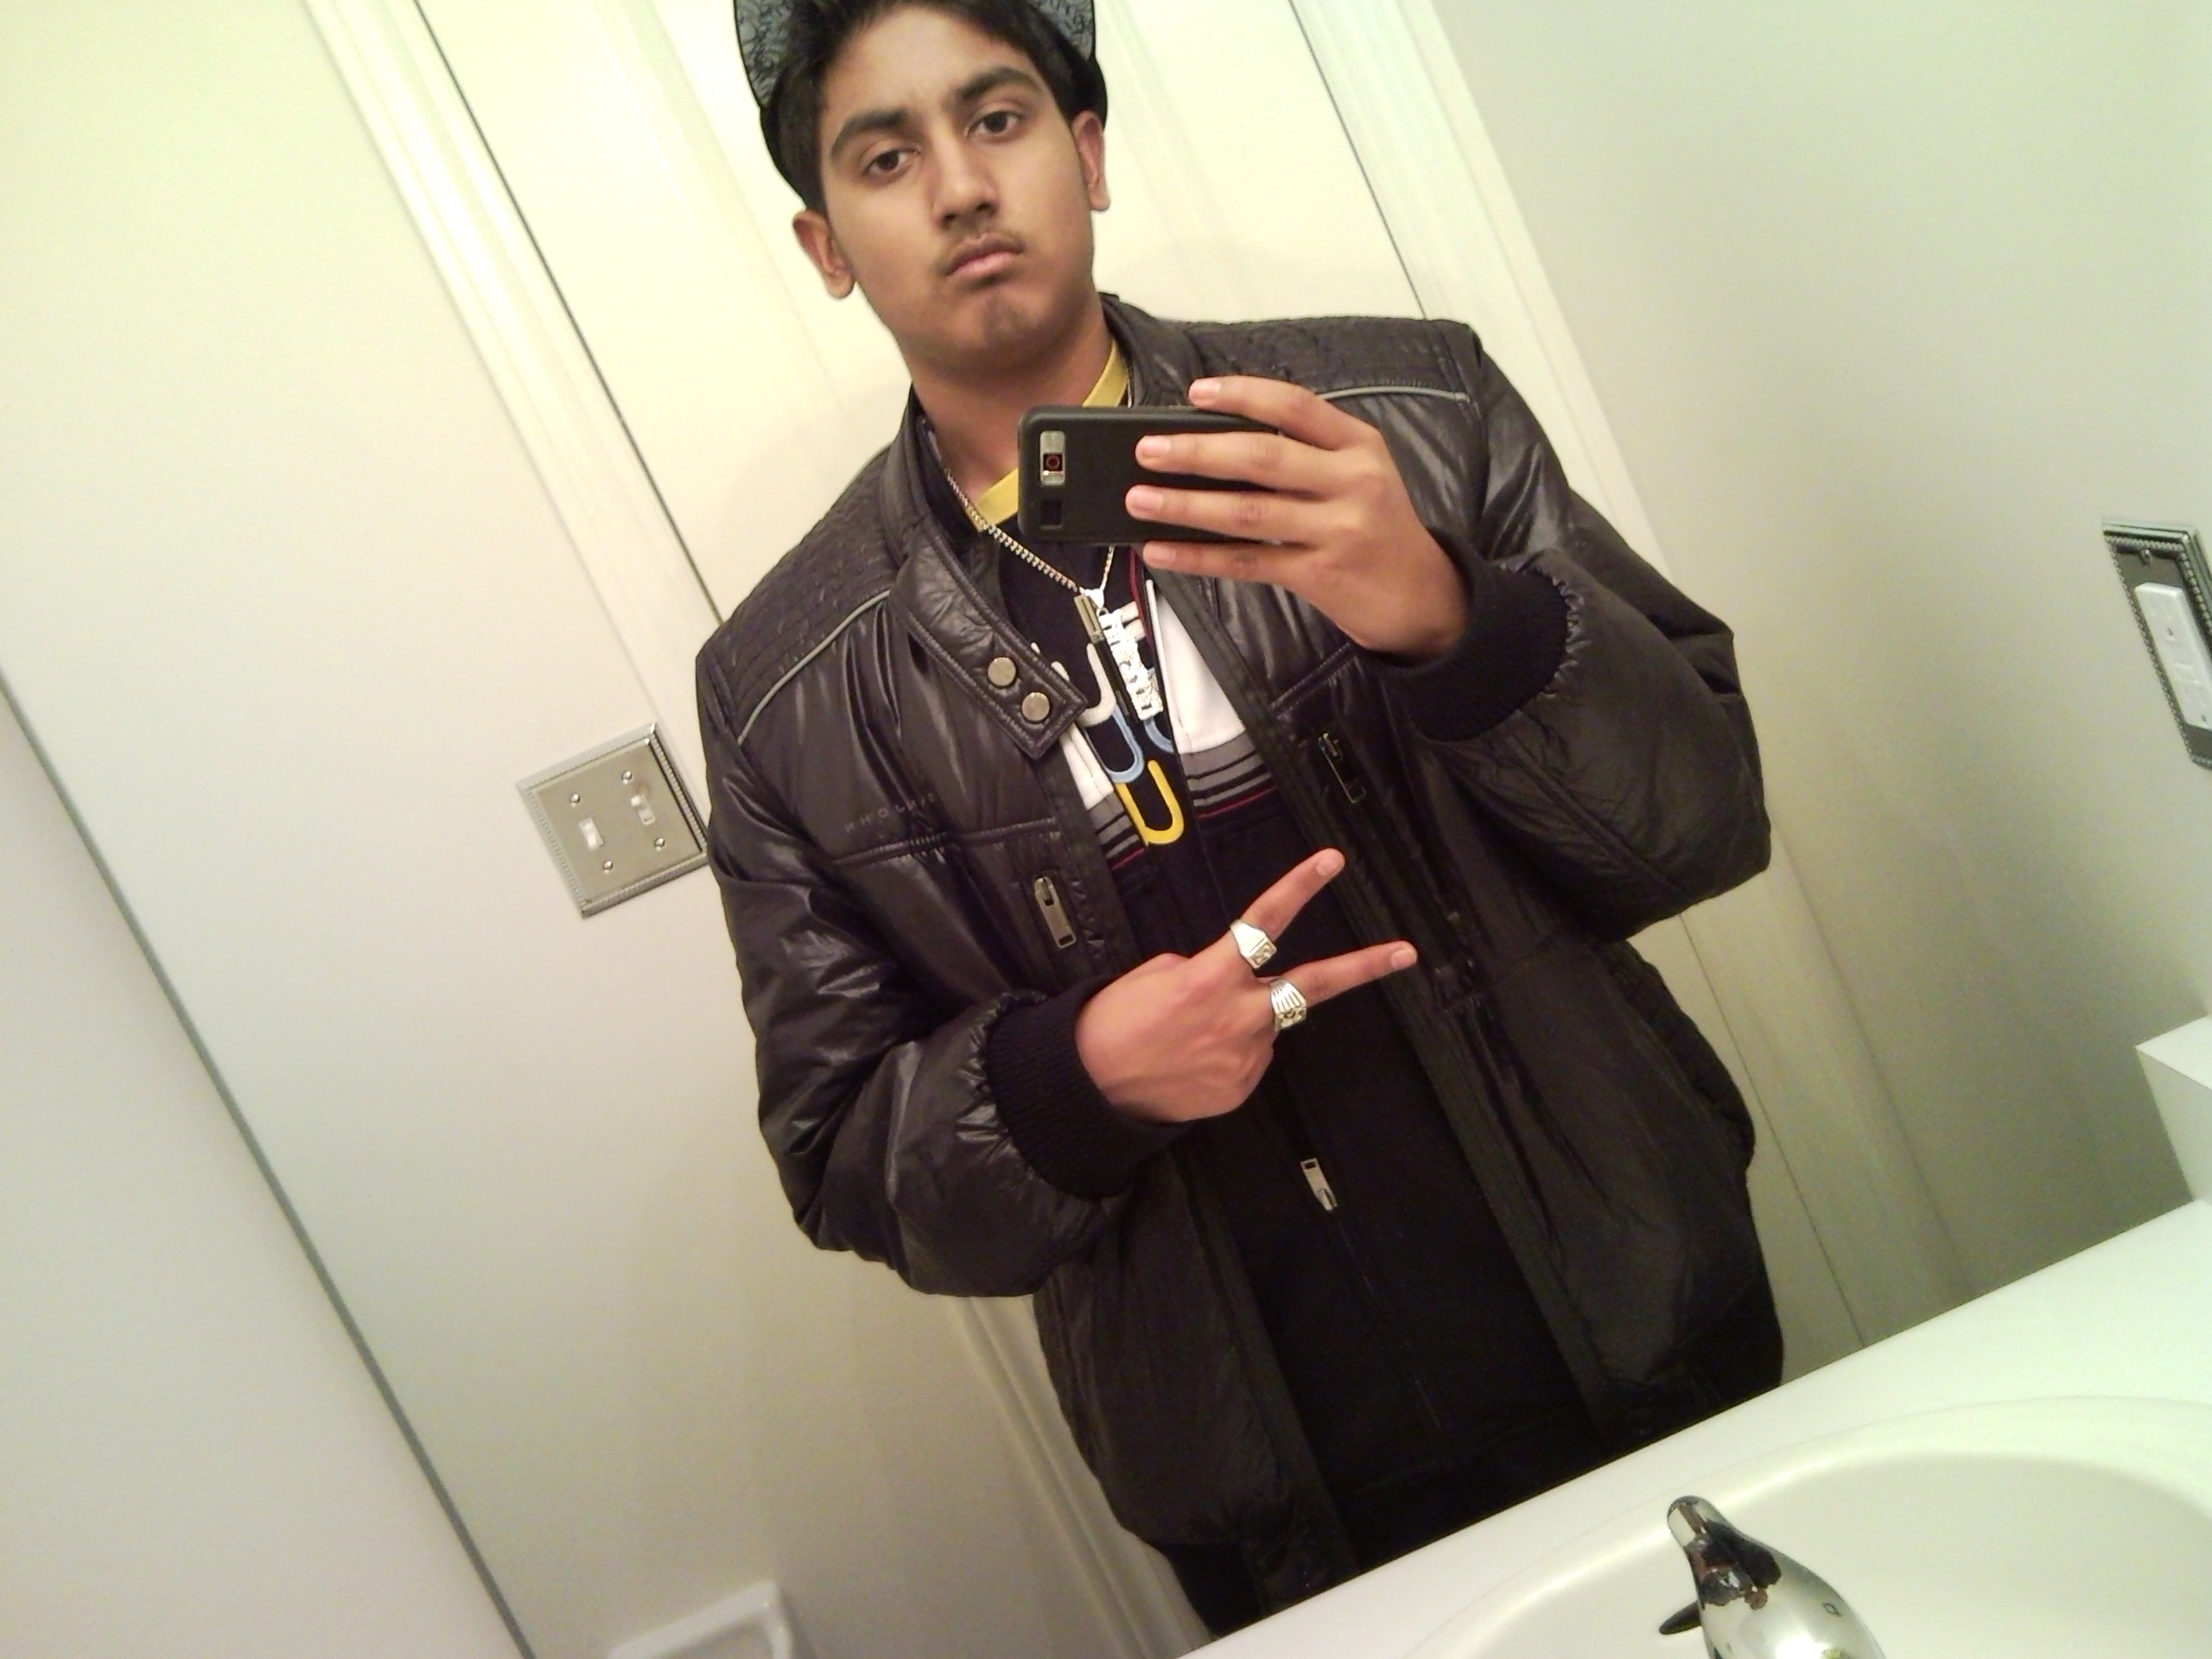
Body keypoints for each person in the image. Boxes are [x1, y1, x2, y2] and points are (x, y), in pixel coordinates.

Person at [701, 0, 1779, 1634]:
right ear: (826, 245)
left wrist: (1453, 618)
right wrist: (1068, 1085)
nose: (962, 186)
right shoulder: (783, 686)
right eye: (886, 156)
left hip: (1646, 1327)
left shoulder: (1412, 412)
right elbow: (844, 1157)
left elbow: (1703, 820)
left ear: (1087, 152)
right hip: (1270, 1489)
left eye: (997, 119)